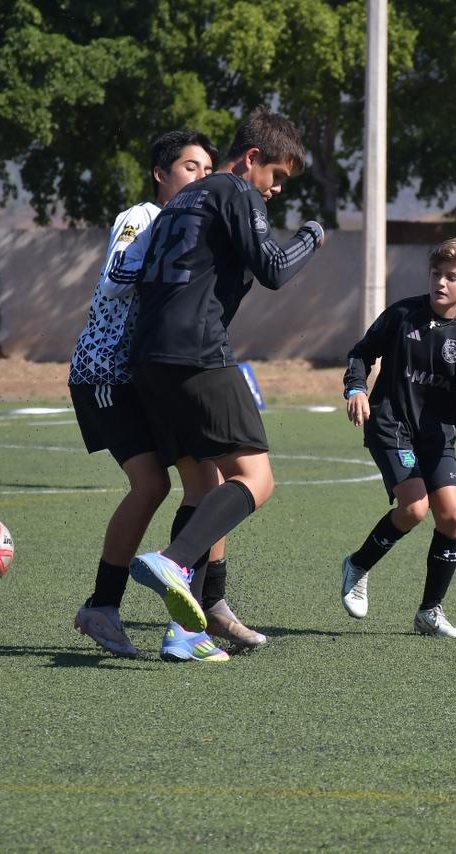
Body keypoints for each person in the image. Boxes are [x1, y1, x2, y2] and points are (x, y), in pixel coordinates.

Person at [67, 130, 264, 663]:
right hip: (106, 374)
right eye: (189, 168)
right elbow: (114, 280)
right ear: (161, 174)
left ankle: (206, 605)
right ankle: (102, 606)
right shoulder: (145, 218)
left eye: (205, 169)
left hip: (152, 374)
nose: (200, 179)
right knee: (152, 484)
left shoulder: (193, 221)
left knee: (211, 480)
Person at [126, 107, 325, 630]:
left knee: (203, 485)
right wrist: (312, 236)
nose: (276, 189)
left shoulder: (180, 200)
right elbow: (275, 270)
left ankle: (187, 630)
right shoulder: (234, 189)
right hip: (196, 352)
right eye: (276, 176)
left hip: (148, 357)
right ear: (252, 158)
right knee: (255, 478)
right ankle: (174, 559)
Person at [339, 233, 456, 638]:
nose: (440, 283)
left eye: (451, 277)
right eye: (436, 274)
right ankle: (357, 565)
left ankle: (429, 612)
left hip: (435, 435)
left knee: (453, 516)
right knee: (415, 508)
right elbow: (361, 352)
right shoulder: (402, 315)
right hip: (390, 425)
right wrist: (356, 388)